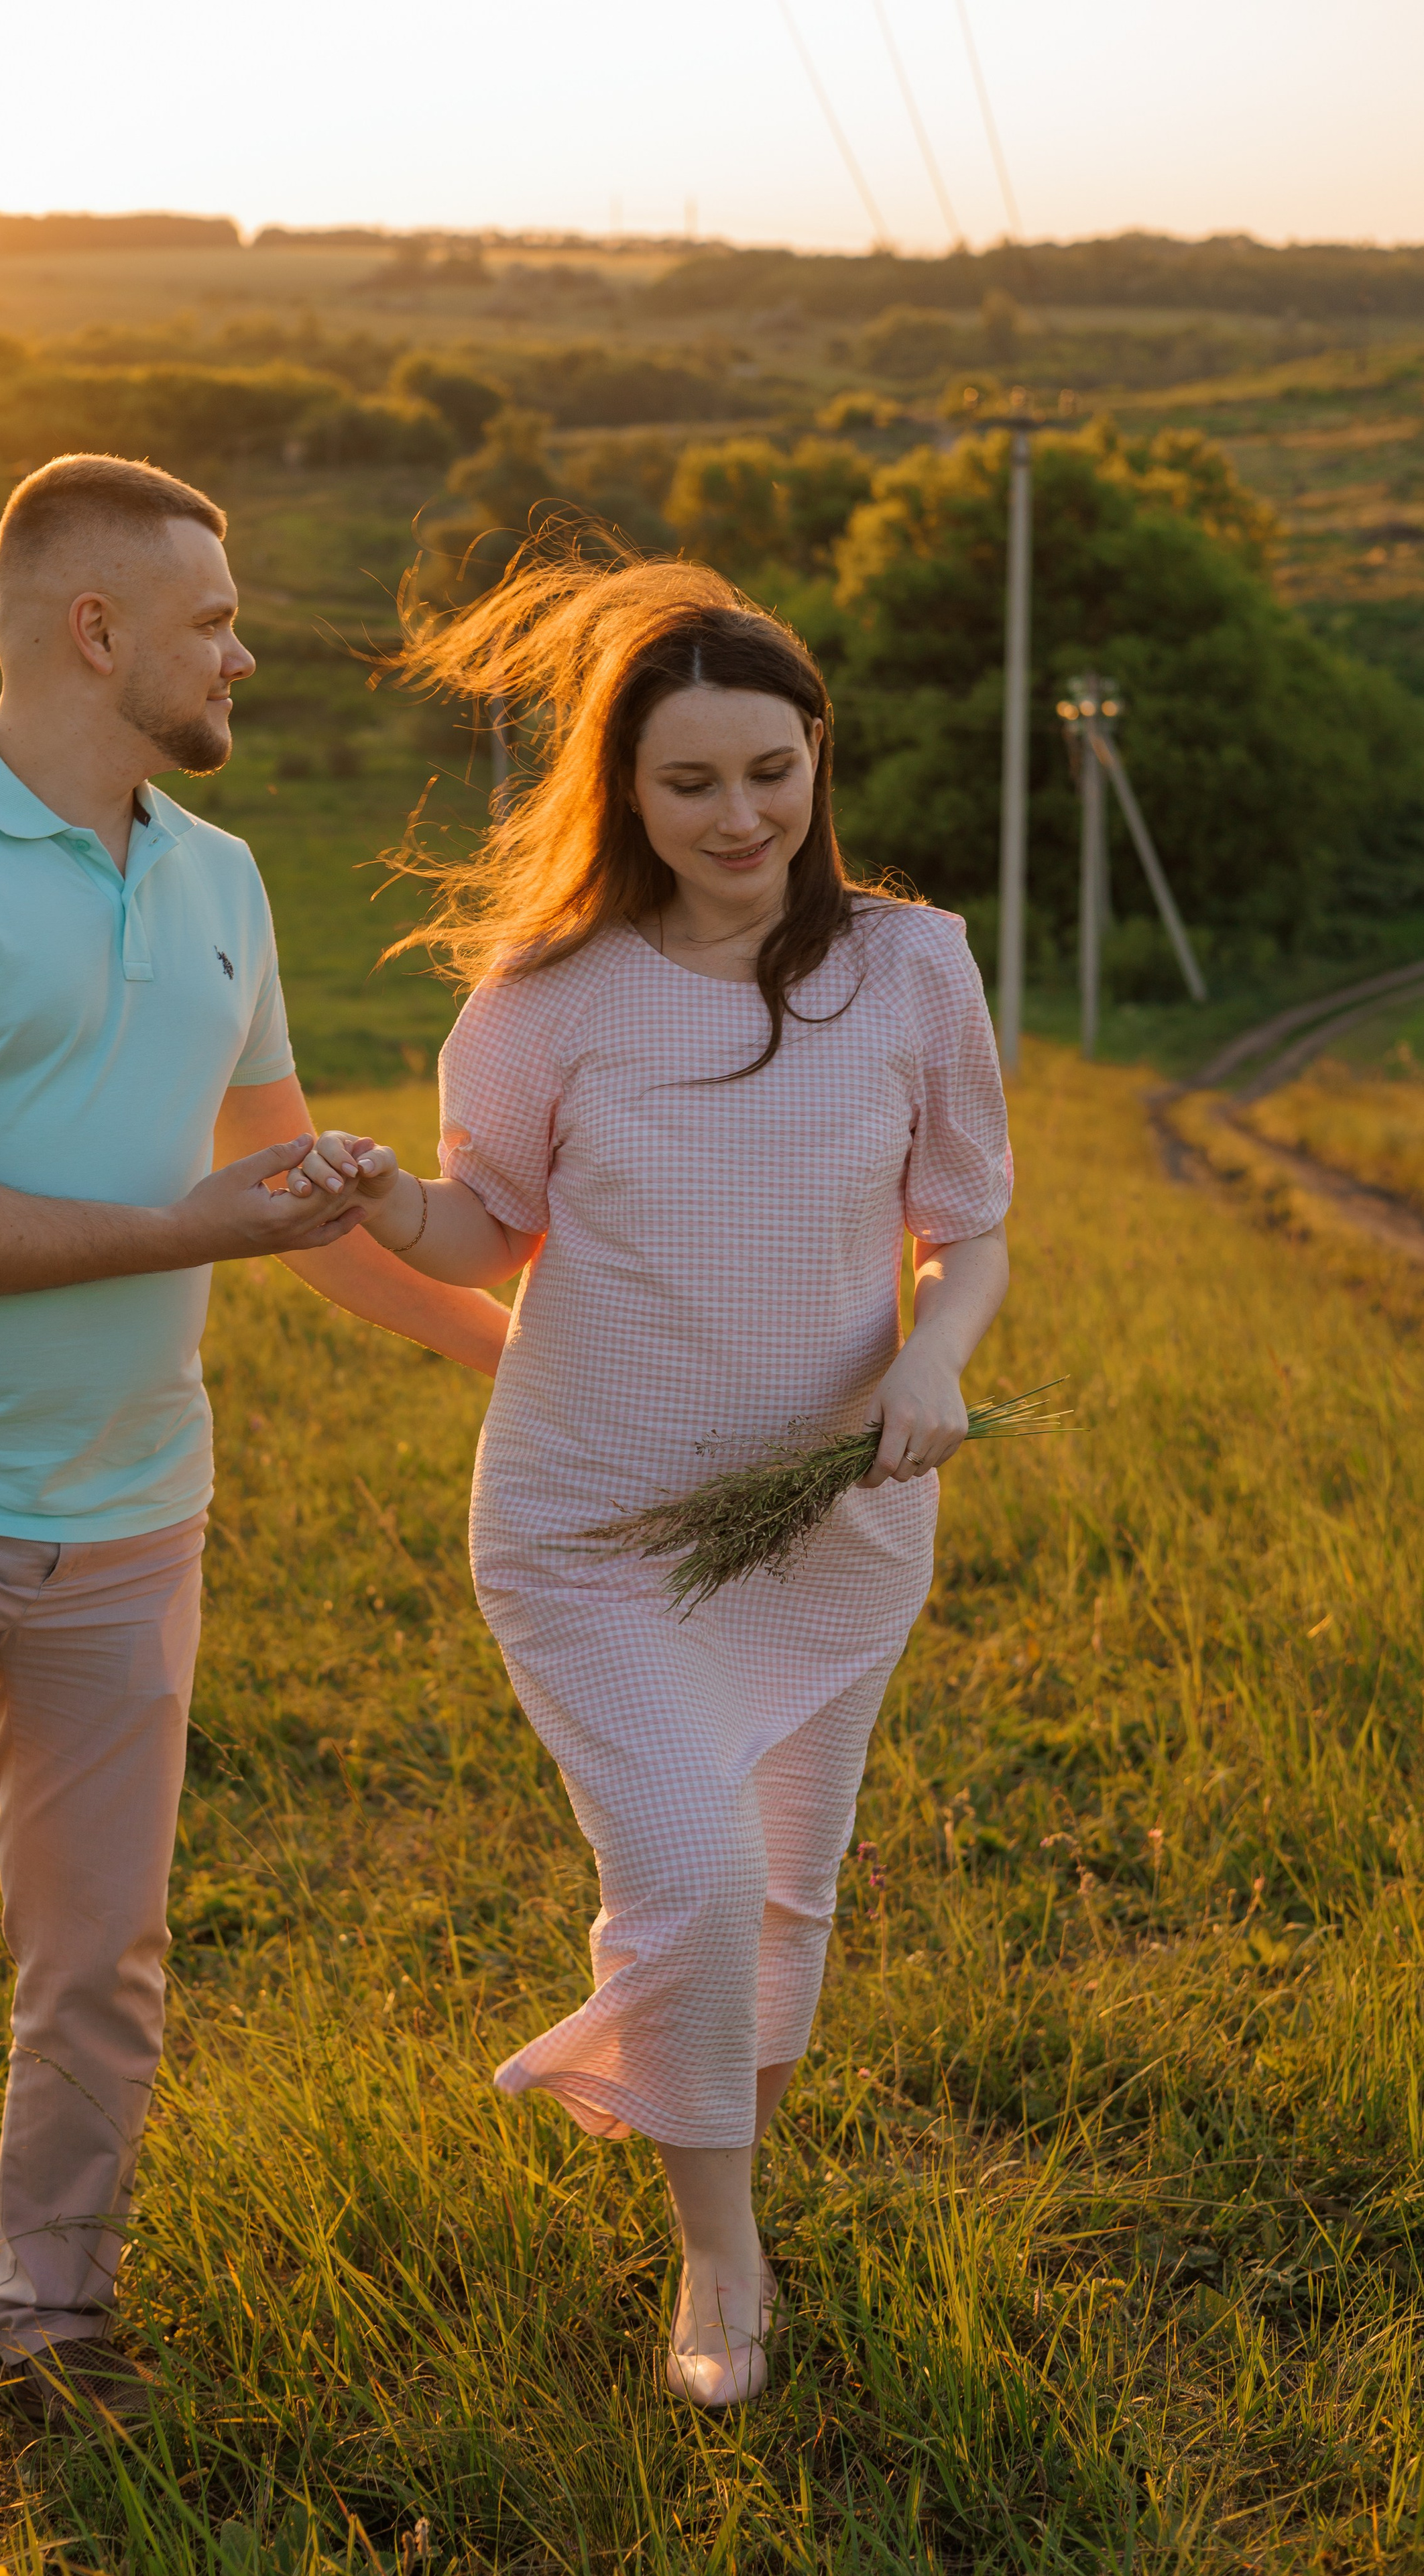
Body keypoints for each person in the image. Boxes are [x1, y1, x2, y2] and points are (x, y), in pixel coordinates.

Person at [0, 452, 508, 2574]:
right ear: (97, 630)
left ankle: (52, 2316)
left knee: (101, 1957)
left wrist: (537, 1363)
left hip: (133, 1504)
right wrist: (181, 1227)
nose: (243, 652)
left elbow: (294, 1204)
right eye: (215, 620)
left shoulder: (223, 880)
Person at [283, 548, 1012, 2408]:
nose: (739, 815)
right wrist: (387, 1199)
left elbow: (971, 1224)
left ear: (819, 754)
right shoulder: (547, 998)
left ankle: (719, 2155)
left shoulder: (912, 964)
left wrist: (933, 1353)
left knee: (786, 1891)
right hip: (592, 1523)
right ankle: (718, 2251)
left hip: (834, 1521)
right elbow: (486, 1229)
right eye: (691, 781)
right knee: (689, 1873)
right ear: (625, 789)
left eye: (771, 769)